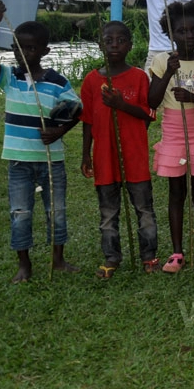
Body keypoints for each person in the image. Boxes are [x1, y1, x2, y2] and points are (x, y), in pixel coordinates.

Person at [0, 0, 82, 283]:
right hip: (19, 161)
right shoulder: (10, 78)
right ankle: (24, 265)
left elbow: (76, 110)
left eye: (30, 47)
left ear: (45, 51)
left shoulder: (57, 81)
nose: (22, 53)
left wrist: (59, 131)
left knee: (56, 211)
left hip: (51, 160)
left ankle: (58, 259)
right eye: (16, 47)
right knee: (20, 212)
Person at [80, 21, 159, 278]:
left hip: (134, 156)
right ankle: (112, 257)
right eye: (109, 40)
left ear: (130, 45)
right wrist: (85, 154)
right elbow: (88, 122)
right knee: (108, 212)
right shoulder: (92, 80)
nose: (114, 45)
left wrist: (121, 104)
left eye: (121, 40)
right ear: (100, 44)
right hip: (104, 157)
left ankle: (149, 256)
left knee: (144, 209)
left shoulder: (138, 76)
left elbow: (147, 114)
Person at [148, 0, 194, 273]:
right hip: (173, 131)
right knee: (177, 192)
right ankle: (177, 252)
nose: (189, 36)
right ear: (170, 33)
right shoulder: (163, 60)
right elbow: (152, 100)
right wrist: (169, 73)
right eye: (181, 31)